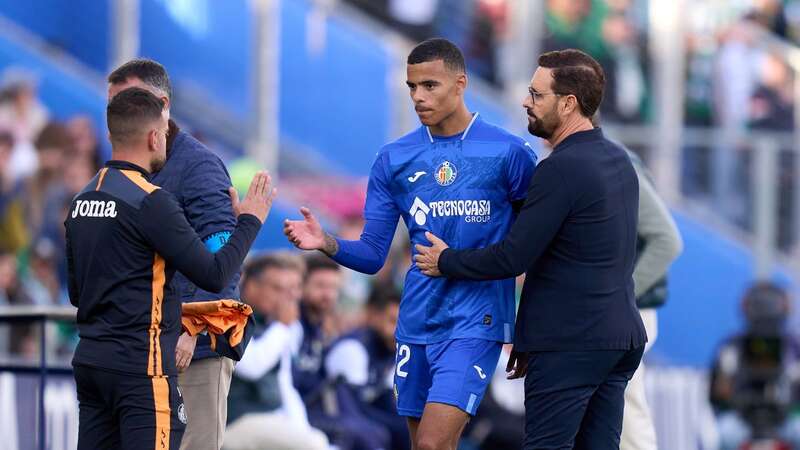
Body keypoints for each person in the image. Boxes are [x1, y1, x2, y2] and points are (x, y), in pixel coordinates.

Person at [284, 37, 537, 450]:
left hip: (477, 323)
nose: (418, 97)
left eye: (430, 85)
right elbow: (371, 255)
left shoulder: (509, 153)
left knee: (433, 445)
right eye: (412, 87)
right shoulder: (393, 158)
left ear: (461, 84)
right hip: (415, 323)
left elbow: (533, 247)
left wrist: (529, 329)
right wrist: (327, 243)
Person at [414, 48, 646, 449]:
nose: (526, 102)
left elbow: (513, 256)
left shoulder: (559, 169)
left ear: (569, 103)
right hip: (619, 339)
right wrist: (527, 336)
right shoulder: (617, 159)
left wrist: (445, 260)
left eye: (537, 95)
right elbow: (572, 256)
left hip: (571, 343)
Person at [65, 87, 274, 449]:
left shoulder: (83, 197)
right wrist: (250, 222)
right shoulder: (150, 201)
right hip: (140, 369)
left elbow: (75, 292)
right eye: (164, 132)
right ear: (153, 136)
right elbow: (214, 273)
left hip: (91, 363)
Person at [107, 58, 243, 450]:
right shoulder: (123, 169)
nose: (119, 114)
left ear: (162, 104)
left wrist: (192, 327)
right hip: (140, 348)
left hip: (192, 351)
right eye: (113, 104)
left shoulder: (198, 167)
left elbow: (222, 256)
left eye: (130, 99)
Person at [225, 252, 329, 450]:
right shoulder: (232, 313)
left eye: (295, 289)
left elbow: (285, 385)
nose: (289, 298)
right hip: (234, 419)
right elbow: (250, 366)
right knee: (314, 444)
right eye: (279, 288)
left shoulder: (280, 325)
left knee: (320, 441)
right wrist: (282, 327)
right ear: (252, 286)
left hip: (271, 416)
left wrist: (302, 429)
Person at [620, 150, 684, 450]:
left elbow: (667, 240)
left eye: (539, 97)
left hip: (628, 311)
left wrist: (620, 294)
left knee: (627, 415)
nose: (530, 104)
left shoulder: (619, 163)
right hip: (611, 309)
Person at [709, 282, 800, 449]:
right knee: (722, 434)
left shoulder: (794, 348)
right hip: (742, 418)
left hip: (785, 419)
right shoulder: (732, 347)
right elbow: (716, 395)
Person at [324, 282, 410, 450]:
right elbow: (348, 407)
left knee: (408, 427)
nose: (399, 330)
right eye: (392, 321)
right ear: (373, 315)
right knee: (374, 434)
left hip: (362, 416)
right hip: (331, 416)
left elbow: (387, 403)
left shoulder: (392, 351)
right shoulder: (353, 348)